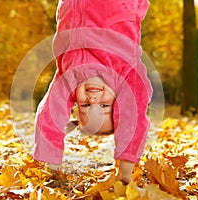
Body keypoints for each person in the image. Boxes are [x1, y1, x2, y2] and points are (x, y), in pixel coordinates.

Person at [34, 0, 152, 184]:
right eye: (104, 105)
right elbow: (133, 119)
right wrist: (126, 171)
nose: (92, 98)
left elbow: (49, 117)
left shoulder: (69, 77)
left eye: (86, 105)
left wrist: (50, 168)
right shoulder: (127, 74)